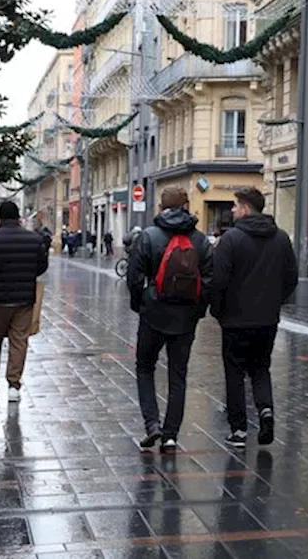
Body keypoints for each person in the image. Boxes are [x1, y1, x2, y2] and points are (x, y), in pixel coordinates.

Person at [127, 187, 213, 454]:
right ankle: (171, 435)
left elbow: (134, 276)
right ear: (186, 205)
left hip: (153, 314)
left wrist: (140, 303)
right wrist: (198, 311)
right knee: (178, 375)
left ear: (161, 206)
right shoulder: (200, 240)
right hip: (185, 319)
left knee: (145, 368)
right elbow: (210, 280)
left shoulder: (149, 236)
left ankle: (152, 424)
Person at [209, 187, 296, 449]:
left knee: (234, 372)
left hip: (235, 319)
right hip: (267, 319)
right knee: (260, 368)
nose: (233, 210)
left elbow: (218, 280)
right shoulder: (281, 238)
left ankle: (238, 430)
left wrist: (218, 310)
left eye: (235, 206)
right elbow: (291, 278)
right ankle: (266, 410)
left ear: (246, 208)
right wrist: (274, 302)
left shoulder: (231, 239)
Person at [0, 201, 48, 402]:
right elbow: (41, 267)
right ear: (18, 218)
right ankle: (14, 386)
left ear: (0, 218)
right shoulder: (34, 239)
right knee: (19, 341)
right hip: (24, 299)